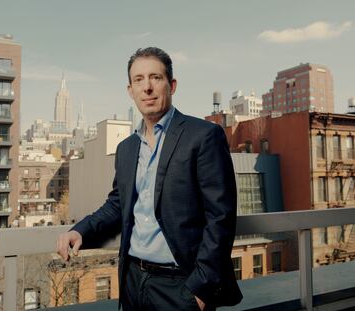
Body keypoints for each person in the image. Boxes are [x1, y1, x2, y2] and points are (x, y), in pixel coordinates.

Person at [57, 47, 242, 310]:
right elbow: (118, 204)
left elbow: (221, 217)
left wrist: (199, 291)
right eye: (139, 80)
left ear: (172, 85)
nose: (147, 87)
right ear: (130, 90)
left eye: (155, 77)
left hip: (180, 284)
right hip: (132, 279)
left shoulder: (203, 136)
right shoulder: (127, 148)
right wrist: (81, 229)